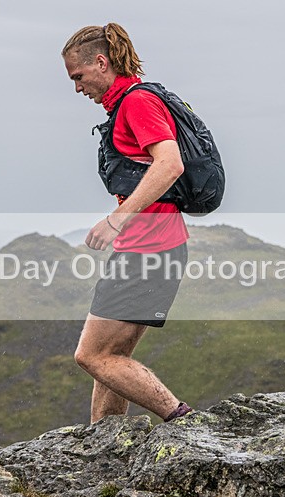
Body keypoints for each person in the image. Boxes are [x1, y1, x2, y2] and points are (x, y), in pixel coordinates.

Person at [62, 23, 193, 424]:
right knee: (111, 356)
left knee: (92, 355)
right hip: (152, 248)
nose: (78, 88)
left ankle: (182, 420)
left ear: (101, 62)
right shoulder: (128, 102)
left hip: (149, 249)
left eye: (79, 76)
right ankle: (107, 440)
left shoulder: (137, 103)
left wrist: (116, 220)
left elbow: (170, 164)